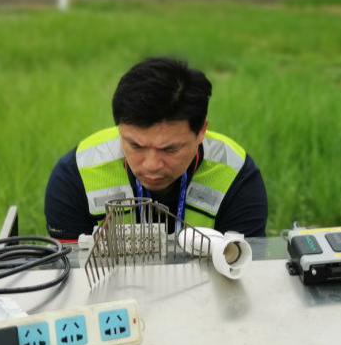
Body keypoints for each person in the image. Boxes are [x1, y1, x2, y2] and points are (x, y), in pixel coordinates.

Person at [45, 56, 268, 241]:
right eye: (135, 145)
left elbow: (244, 269)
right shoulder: (75, 176)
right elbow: (71, 276)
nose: (151, 165)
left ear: (201, 131)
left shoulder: (236, 175)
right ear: (120, 128)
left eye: (169, 150)